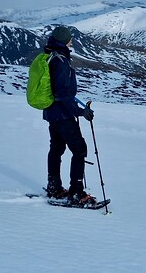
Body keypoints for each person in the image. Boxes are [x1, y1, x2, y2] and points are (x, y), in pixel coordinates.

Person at [42, 26, 96, 205]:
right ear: (64, 40)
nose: (71, 41)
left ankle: (54, 187)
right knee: (79, 149)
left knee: (56, 149)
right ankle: (76, 193)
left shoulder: (51, 56)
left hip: (52, 112)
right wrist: (80, 112)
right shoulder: (61, 61)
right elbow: (63, 94)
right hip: (63, 115)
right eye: (70, 38)